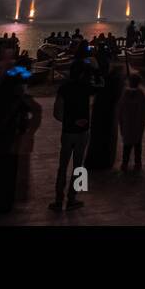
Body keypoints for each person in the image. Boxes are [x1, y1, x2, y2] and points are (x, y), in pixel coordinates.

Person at [0, 67, 42, 214]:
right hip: (13, 138)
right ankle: (5, 200)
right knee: (10, 170)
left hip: (1, 138)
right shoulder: (20, 99)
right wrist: (30, 131)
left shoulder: (2, 96)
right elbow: (37, 110)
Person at [50, 60, 96, 211]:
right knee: (79, 166)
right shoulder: (87, 88)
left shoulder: (64, 89)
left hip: (68, 132)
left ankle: (58, 199)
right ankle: (73, 197)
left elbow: (57, 113)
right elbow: (101, 82)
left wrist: (70, 121)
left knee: (62, 166)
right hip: (83, 132)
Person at [118, 74, 145, 170]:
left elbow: (120, 109)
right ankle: (137, 163)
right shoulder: (141, 94)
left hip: (128, 122)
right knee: (137, 144)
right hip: (137, 123)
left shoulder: (125, 94)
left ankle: (125, 163)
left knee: (127, 144)